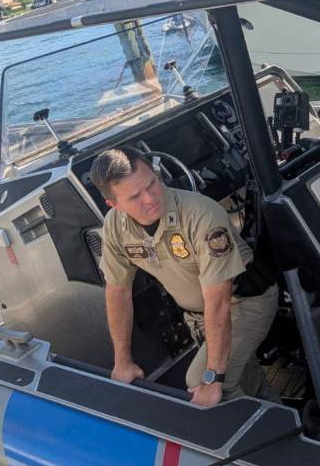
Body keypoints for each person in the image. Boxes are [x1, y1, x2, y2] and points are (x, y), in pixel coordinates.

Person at [90, 146, 279, 407]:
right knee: (242, 376)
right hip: (198, 315)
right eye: (135, 196)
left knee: (205, 384)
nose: (150, 198)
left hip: (244, 301)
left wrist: (213, 379)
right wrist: (122, 361)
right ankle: (277, 413)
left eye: (152, 184)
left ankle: (267, 442)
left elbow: (219, 302)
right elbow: (117, 290)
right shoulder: (114, 226)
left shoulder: (199, 214)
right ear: (114, 204)